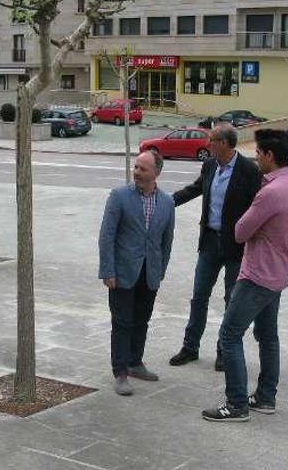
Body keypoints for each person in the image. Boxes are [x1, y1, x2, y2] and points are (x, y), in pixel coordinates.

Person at [201, 129, 288, 422]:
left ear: (270, 155)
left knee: (230, 335)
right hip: (278, 272)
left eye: (258, 152)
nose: (256, 157)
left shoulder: (270, 192)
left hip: (257, 274)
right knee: (268, 336)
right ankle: (265, 396)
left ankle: (236, 404)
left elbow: (240, 231)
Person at [169, 124, 261, 371]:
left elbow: (257, 207)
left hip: (235, 245)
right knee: (199, 296)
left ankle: (224, 350)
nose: (208, 144)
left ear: (224, 143)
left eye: (212, 140)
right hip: (209, 241)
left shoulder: (248, 170)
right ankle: (190, 347)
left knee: (231, 299)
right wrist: (167, 202)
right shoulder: (210, 165)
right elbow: (195, 189)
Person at [99, 150, 175, 396]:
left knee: (142, 319)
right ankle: (120, 372)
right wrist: (107, 270)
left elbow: (167, 241)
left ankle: (135, 362)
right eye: (136, 168)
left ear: (156, 173)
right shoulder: (119, 196)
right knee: (122, 322)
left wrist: (161, 270)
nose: (137, 173)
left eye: (143, 169)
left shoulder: (167, 202)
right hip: (122, 272)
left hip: (149, 273)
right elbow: (106, 236)